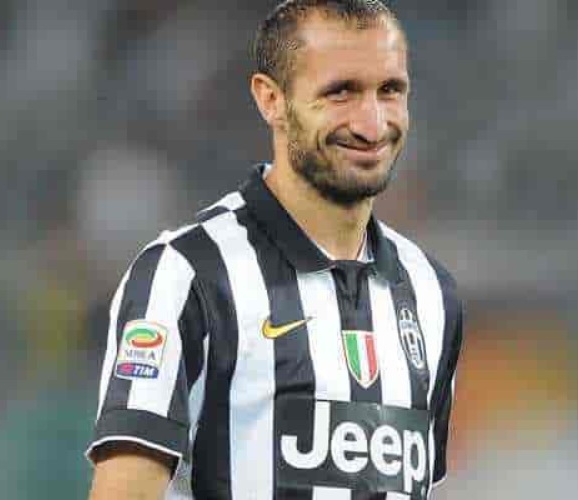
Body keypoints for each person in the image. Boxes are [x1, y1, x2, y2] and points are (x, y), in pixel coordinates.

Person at [87, 1, 463, 499]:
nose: (372, 124)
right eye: (340, 92)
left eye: (390, 90)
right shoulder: (187, 275)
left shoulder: (432, 294)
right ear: (271, 100)